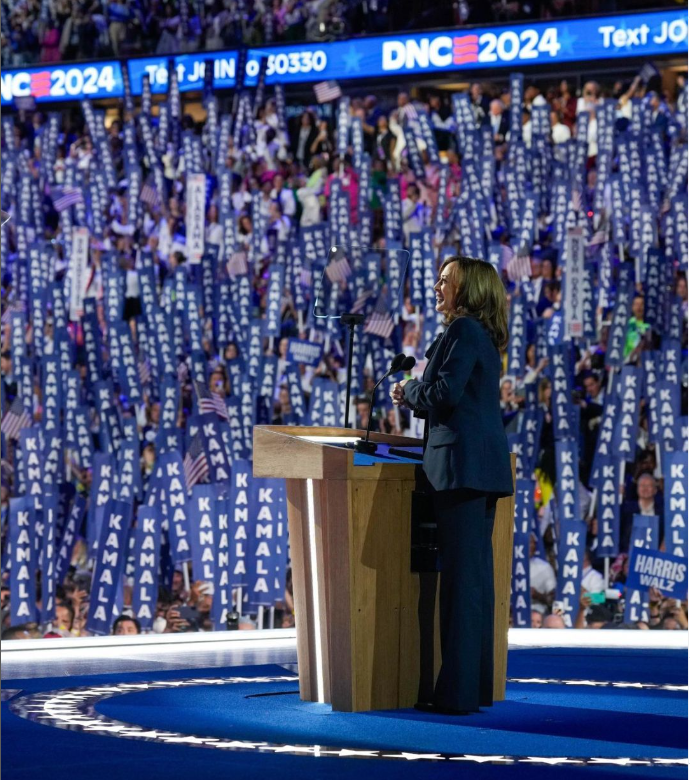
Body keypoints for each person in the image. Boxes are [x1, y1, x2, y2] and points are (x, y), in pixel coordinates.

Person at [391, 256, 513, 714]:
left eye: (446, 280)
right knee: (474, 582)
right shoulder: (477, 335)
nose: (437, 286)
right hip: (478, 468)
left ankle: (456, 697)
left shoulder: (463, 331)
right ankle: (473, 688)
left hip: (461, 467)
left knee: (462, 585)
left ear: (469, 289)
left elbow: (444, 393)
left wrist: (408, 392)